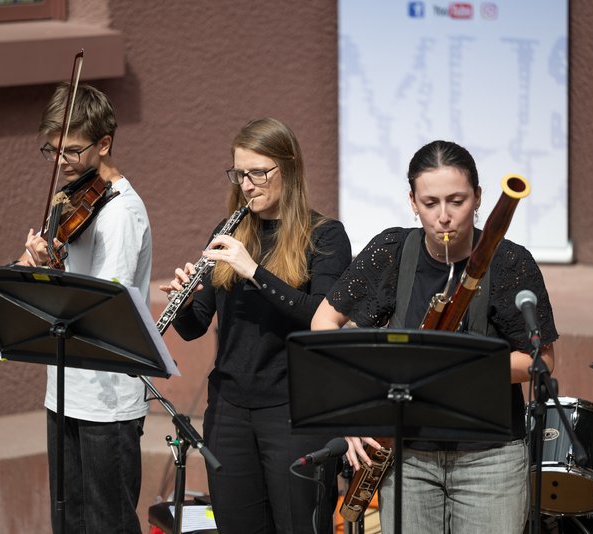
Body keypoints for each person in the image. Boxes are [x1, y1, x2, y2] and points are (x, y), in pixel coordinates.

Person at [311, 140, 558, 534]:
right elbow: (323, 324)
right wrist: (351, 414)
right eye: (430, 203)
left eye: (456, 201)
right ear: (412, 201)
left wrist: (453, 368)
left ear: (478, 198)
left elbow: (541, 360)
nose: (443, 216)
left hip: (489, 459)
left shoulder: (511, 262)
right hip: (407, 457)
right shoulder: (391, 250)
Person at [160, 117, 351, 533]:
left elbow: (320, 317)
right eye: (240, 174)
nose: (247, 185)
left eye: (259, 173)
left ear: (290, 168)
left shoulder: (326, 237)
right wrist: (185, 302)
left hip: (295, 412)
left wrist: (254, 271)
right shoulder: (228, 231)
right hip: (229, 411)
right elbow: (196, 328)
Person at [19, 83, 152, 534]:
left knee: (107, 523)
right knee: (68, 522)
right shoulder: (73, 199)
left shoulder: (120, 213)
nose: (60, 163)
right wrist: (37, 262)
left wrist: (49, 270)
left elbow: (99, 302)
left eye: (72, 152)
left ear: (104, 144)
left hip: (107, 397)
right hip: (65, 387)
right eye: (52, 151)